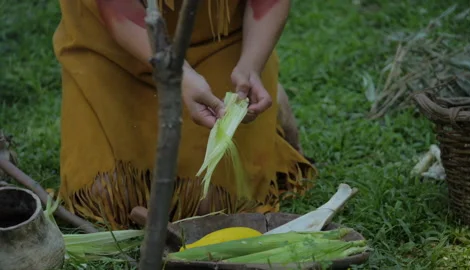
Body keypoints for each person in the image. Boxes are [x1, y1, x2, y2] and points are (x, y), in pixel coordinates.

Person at [53, 0, 317, 230]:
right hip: (112, 42)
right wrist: (179, 73)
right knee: (109, 198)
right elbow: (116, 5)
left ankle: (267, 94)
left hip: (219, 34)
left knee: (213, 204)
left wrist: (251, 65)